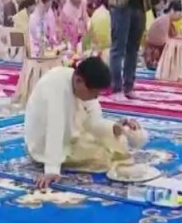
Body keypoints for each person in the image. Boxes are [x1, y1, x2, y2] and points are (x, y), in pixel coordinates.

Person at [25, 57, 141, 189]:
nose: (96, 97)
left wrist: (115, 128)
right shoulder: (55, 86)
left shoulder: (81, 83)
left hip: (72, 136)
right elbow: (54, 129)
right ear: (78, 80)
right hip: (45, 145)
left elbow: (93, 122)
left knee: (119, 142)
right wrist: (52, 169)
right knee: (101, 157)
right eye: (94, 93)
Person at [143, 0, 181, 69]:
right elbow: (165, 42)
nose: (180, 17)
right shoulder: (164, 20)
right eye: (180, 14)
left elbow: (175, 36)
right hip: (153, 57)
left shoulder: (168, 21)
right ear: (172, 10)